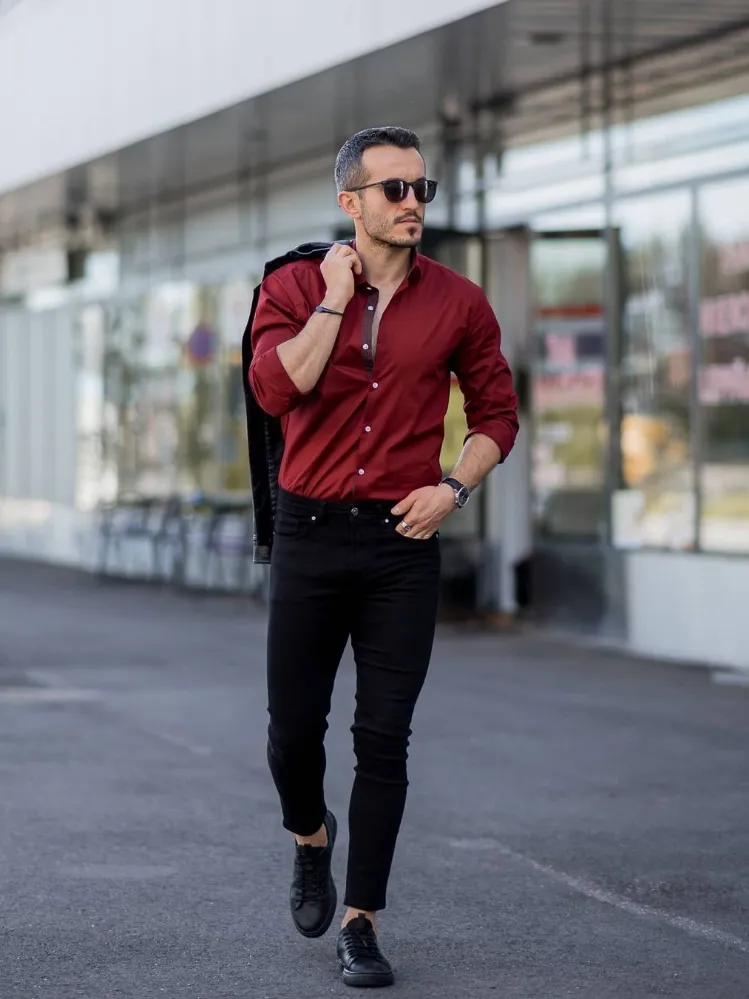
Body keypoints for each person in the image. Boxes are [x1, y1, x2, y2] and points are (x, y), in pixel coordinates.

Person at [248, 125, 518, 988]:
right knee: (292, 732)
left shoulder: (459, 302)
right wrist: (332, 297)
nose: (412, 205)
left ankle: (360, 921)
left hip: (403, 543)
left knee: (383, 738)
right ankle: (309, 837)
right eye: (393, 190)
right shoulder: (292, 284)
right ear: (350, 202)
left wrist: (454, 489)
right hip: (310, 533)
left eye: (420, 189)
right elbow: (273, 387)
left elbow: (496, 416)